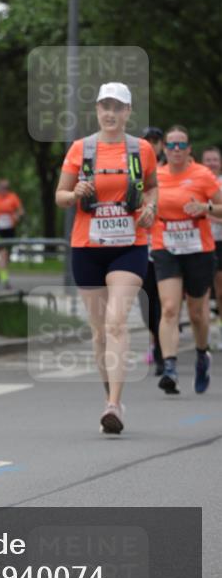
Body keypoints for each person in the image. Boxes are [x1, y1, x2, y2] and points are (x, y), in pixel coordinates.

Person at [55, 83, 158, 435]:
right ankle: (109, 396)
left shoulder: (141, 150)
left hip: (129, 245)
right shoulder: (81, 149)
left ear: (128, 112)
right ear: (97, 110)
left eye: (118, 107)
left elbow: (152, 187)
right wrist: (75, 193)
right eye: (105, 106)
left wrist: (151, 207)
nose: (110, 113)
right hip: (88, 247)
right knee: (100, 331)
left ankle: (114, 405)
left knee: (116, 322)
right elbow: (60, 196)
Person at [151, 128, 222, 394]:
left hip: (198, 249)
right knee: (170, 308)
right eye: (171, 145)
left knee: (197, 313)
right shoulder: (155, 176)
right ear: (165, 149)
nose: (177, 149)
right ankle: (169, 367)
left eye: (182, 145)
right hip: (166, 247)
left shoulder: (202, 175)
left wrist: (206, 208)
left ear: (189, 149)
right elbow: (144, 205)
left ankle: (202, 355)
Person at [140, 127, 166, 374]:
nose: (151, 144)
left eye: (155, 141)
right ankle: (156, 338)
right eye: (146, 140)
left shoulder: (167, 170)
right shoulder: (134, 169)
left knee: (162, 303)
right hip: (140, 245)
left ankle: (161, 352)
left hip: (165, 246)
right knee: (146, 304)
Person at [201, 145, 222, 350]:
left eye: (215, 159)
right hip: (201, 242)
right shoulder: (197, 182)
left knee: (221, 289)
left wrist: (210, 215)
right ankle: (203, 331)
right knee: (203, 290)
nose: (212, 163)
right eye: (208, 160)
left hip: (220, 242)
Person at [0, 179, 24, 289]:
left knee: (6, 257)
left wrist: (17, 216)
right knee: (3, 255)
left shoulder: (12, 197)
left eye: (6, 188)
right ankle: (5, 280)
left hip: (10, 230)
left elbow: (21, 211)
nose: (4, 190)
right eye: (2, 187)